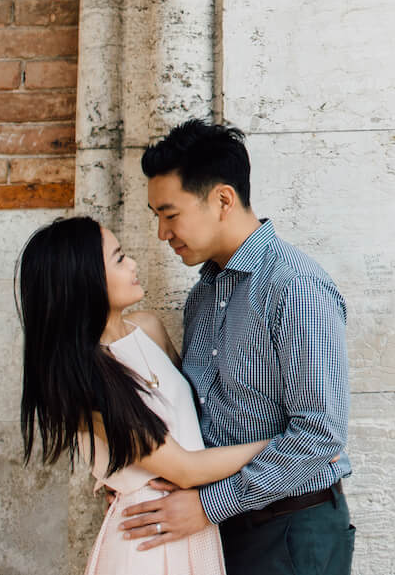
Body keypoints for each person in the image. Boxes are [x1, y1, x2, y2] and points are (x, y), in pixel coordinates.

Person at [117, 119, 354, 575]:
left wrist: (208, 505)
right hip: (222, 529)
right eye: (157, 218)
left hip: (290, 531)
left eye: (171, 214)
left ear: (223, 199)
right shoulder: (203, 295)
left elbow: (321, 435)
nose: (162, 234)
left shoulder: (294, 287)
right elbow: (199, 419)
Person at [16, 215, 266, 575]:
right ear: (84, 281)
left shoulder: (149, 328)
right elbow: (184, 467)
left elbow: (195, 421)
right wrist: (287, 446)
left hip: (192, 523)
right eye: (118, 258)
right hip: (147, 539)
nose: (132, 263)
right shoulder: (87, 381)